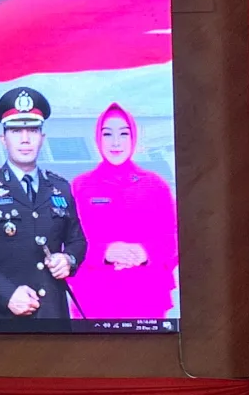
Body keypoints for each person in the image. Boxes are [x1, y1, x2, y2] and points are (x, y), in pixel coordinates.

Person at [0, 87, 88, 327]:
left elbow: (78, 241)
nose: (25, 139)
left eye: (33, 130)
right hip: (4, 319)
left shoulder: (60, 187)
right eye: (16, 131)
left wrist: (69, 259)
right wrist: (6, 293)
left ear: (42, 137)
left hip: (54, 318)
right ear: (3, 139)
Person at [67, 103, 178, 319]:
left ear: (133, 137)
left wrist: (145, 252)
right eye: (107, 134)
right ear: (98, 139)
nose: (116, 142)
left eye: (123, 134)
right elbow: (66, 242)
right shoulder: (79, 186)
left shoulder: (155, 185)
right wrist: (104, 253)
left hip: (147, 297)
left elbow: (174, 238)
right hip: (93, 299)